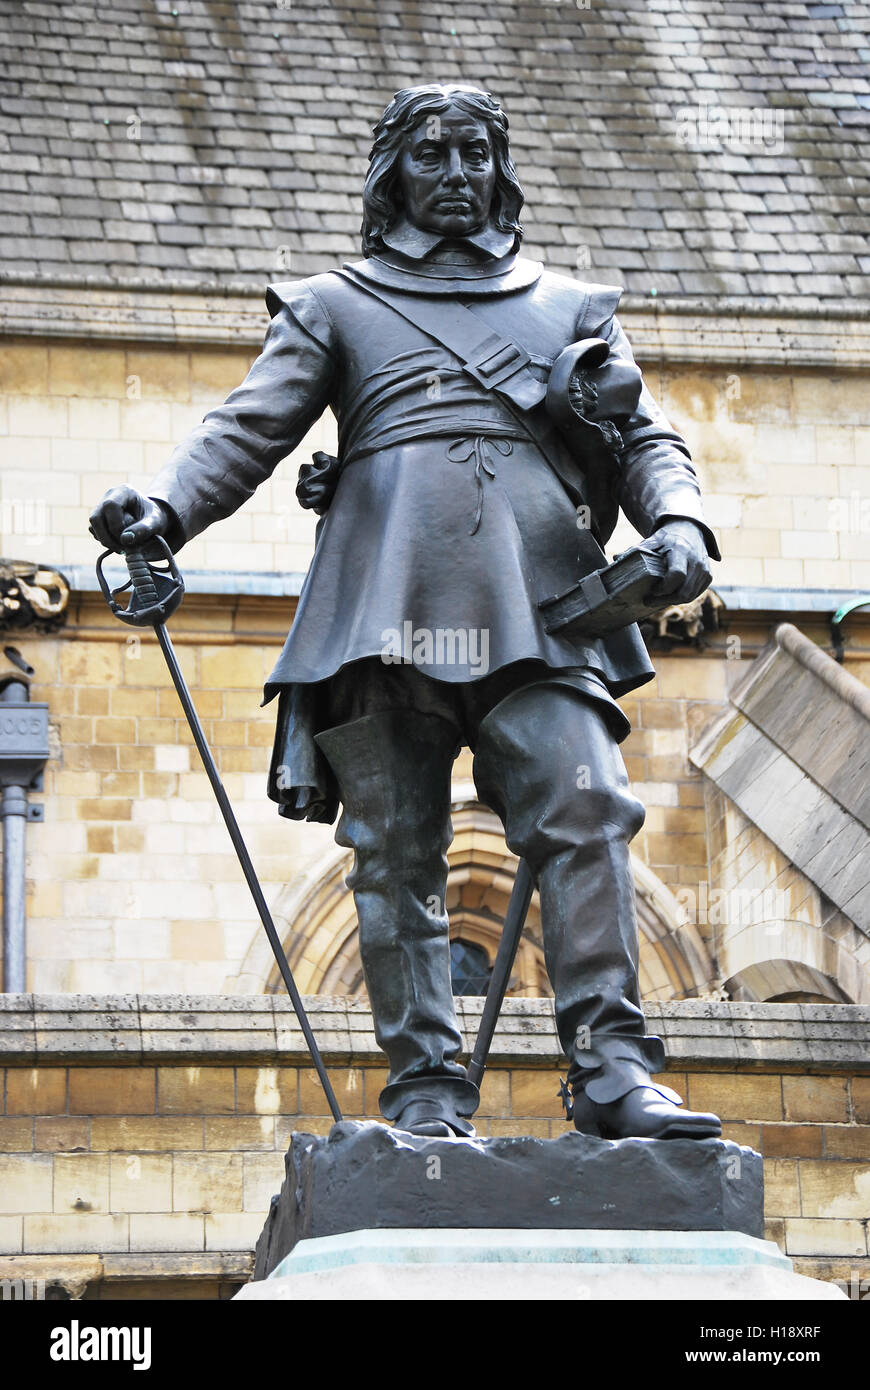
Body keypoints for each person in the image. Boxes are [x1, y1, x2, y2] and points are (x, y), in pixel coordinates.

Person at [90, 83, 722, 1142]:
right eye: (433, 156)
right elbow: (246, 430)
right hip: (384, 604)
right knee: (396, 847)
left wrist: (685, 524)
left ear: (500, 169)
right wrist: (161, 508)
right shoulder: (334, 304)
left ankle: (612, 1065)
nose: (458, 173)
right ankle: (425, 1087)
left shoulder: (572, 309)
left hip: (543, 601)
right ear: (394, 175)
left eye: (476, 153)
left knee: (587, 804)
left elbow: (645, 439)